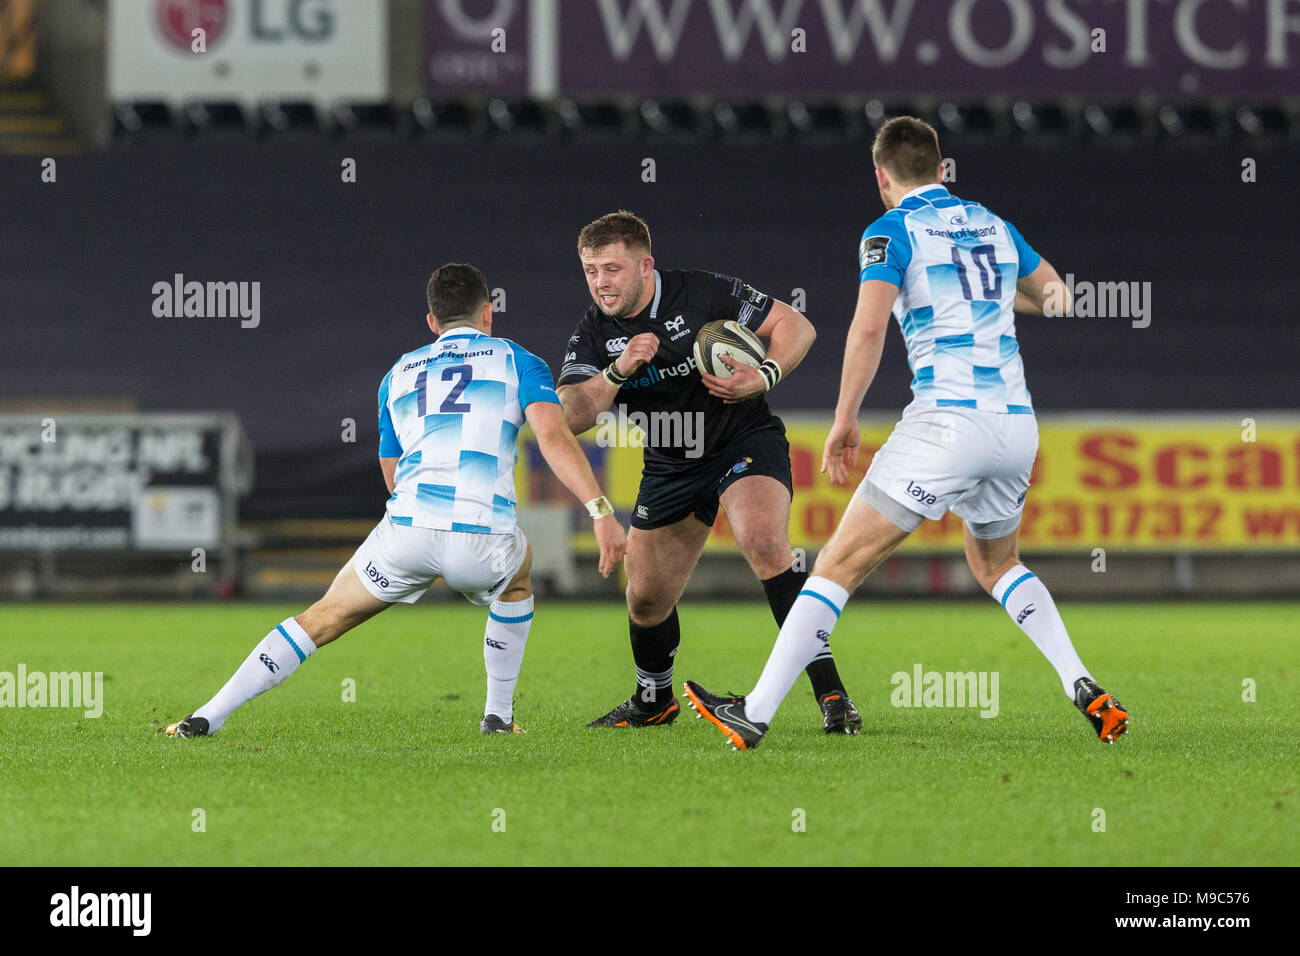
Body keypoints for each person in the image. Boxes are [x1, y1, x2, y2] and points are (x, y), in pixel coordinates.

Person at [684, 117, 1129, 750]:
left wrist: (844, 418)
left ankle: (753, 712)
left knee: (836, 564)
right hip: (1015, 426)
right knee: (997, 561)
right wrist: (997, 299)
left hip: (947, 423)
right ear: (943, 168)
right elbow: (1058, 297)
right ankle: (1081, 682)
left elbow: (867, 329)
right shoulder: (994, 224)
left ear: (881, 177)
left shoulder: (890, 230)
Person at [166, 263, 625, 738]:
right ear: (488, 314)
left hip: (406, 531)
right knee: (518, 576)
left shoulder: (400, 372)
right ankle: (497, 716)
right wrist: (599, 509)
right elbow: (552, 435)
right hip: (480, 537)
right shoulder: (519, 360)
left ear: (432, 322)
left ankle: (207, 715)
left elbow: (392, 474)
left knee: (321, 618)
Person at [558, 210, 860, 733]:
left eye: (612, 269)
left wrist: (764, 373)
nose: (601, 284)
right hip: (671, 462)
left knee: (765, 544)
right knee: (646, 598)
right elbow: (571, 416)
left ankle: (833, 697)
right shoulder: (595, 331)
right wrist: (617, 370)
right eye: (591, 271)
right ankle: (654, 702)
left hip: (741, 439)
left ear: (645, 265)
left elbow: (797, 324)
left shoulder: (700, 292)